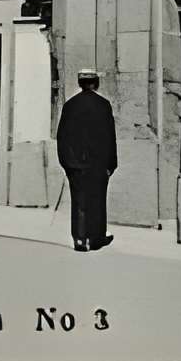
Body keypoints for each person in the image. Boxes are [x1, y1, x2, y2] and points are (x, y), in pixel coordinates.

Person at [56, 67, 116, 251]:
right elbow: (109, 137)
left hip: (75, 164)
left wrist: (66, 163)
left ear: (80, 83)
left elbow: (62, 136)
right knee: (97, 200)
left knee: (79, 201)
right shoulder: (103, 105)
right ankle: (96, 238)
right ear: (96, 82)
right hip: (98, 164)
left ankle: (80, 239)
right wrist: (111, 164)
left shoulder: (70, 105)